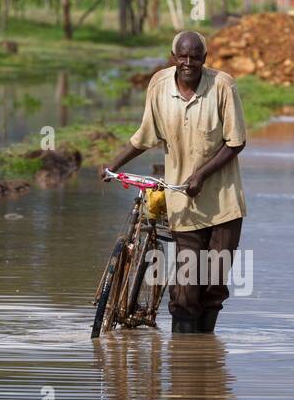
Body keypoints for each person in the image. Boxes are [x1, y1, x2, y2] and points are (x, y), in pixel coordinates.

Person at [105, 30, 247, 334]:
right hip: (183, 203)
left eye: (195, 56)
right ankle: (183, 363)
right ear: (173, 57)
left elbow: (236, 142)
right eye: (182, 56)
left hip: (224, 204)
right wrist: (112, 165)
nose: (188, 62)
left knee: (213, 284)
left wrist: (201, 175)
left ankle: (205, 360)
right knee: (186, 288)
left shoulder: (222, 86)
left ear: (204, 59)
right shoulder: (158, 85)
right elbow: (145, 136)